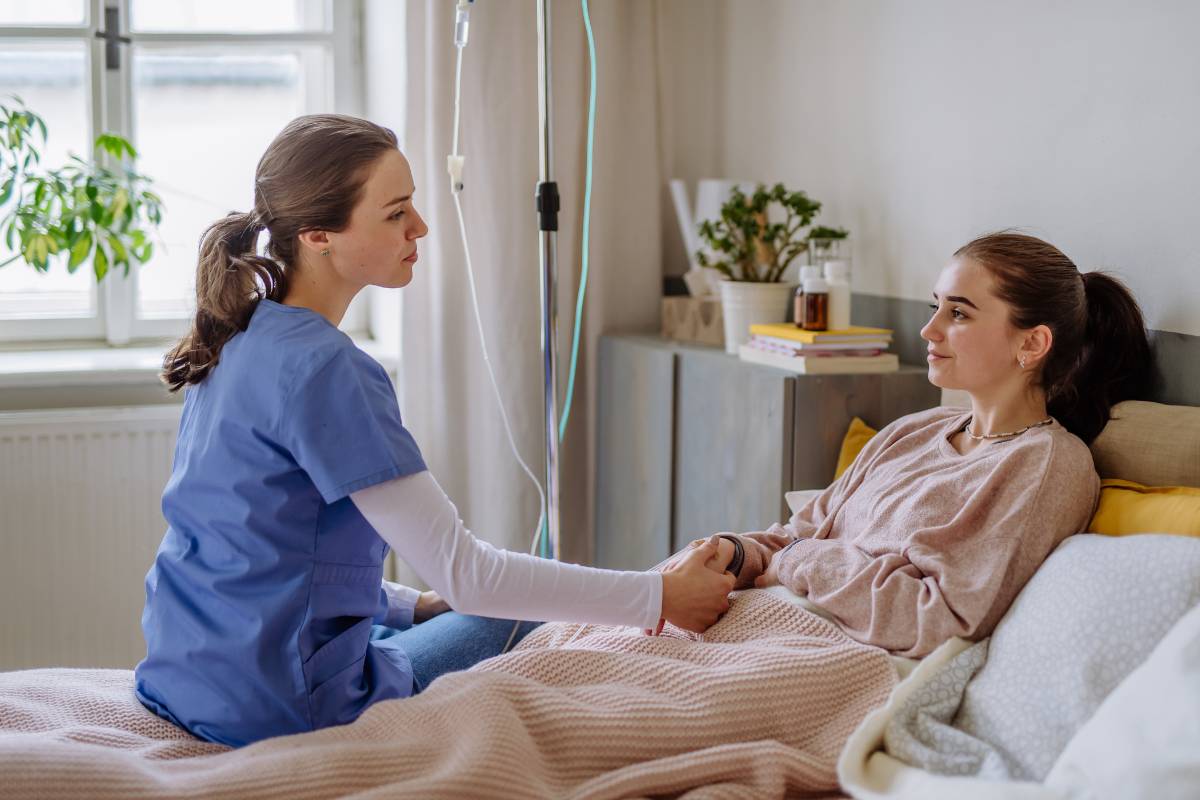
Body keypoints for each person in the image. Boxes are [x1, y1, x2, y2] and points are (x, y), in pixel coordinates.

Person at [134, 114, 735, 748]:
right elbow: (468, 576)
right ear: (318, 235)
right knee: (527, 616)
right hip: (281, 709)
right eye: (396, 213)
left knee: (454, 609)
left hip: (188, 680)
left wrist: (411, 608)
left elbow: (256, 552)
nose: (420, 226)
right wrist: (659, 597)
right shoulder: (329, 370)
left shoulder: (238, 337)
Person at [667, 232, 1151, 658]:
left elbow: (942, 621)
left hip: (828, 658)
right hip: (756, 624)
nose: (928, 329)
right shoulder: (915, 431)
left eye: (958, 312)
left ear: (1032, 344)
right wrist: (729, 553)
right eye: (934, 306)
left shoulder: (1047, 463)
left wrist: (797, 561)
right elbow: (797, 534)